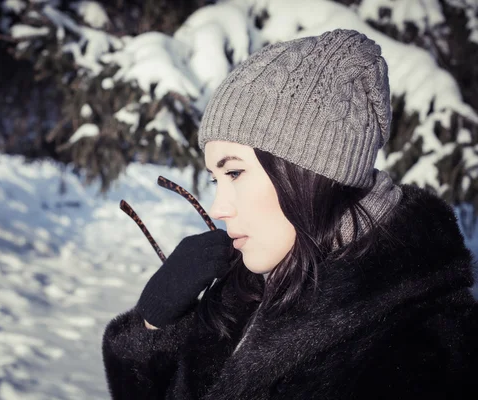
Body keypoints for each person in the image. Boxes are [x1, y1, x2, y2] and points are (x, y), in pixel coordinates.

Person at [101, 29, 478, 399]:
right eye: (216, 178)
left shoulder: (427, 354)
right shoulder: (249, 289)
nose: (218, 207)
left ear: (312, 171)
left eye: (234, 172)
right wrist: (153, 328)